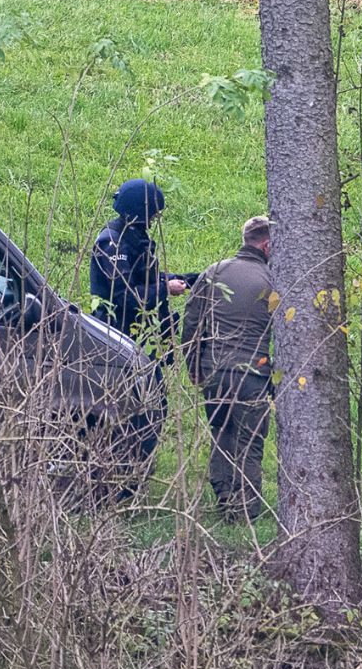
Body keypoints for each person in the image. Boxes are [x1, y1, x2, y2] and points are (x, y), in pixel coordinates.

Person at [182, 215, 273, 522]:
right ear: (266, 244)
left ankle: (224, 497)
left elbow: (191, 322)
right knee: (249, 443)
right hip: (253, 377)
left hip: (215, 373)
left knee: (221, 434)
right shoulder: (272, 280)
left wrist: (194, 364)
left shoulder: (214, 272)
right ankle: (245, 512)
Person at [90, 178, 190, 352]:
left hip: (139, 335)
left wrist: (188, 280)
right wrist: (166, 288)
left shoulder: (133, 236)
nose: (154, 218)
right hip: (118, 339)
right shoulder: (114, 243)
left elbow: (143, 278)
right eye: (153, 214)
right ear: (141, 213)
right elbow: (126, 297)